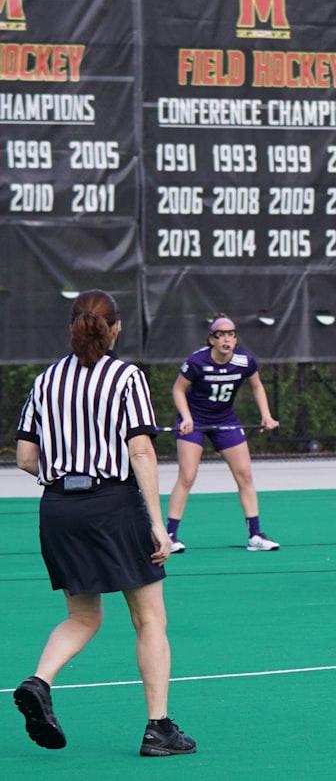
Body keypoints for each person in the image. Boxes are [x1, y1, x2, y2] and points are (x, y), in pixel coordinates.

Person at [13, 289, 196, 756]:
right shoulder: (126, 376)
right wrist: (158, 524)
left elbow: (25, 458)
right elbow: (139, 450)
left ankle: (39, 681)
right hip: (111, 504)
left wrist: (63, 473)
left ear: (72, 327)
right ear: (115, 329)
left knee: (82, 616)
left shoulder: (46, 379)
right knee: (149, 616)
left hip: (57, 509)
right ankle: (159, 729)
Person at [166, 315, 281, 552]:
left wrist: (266, 415)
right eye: (222, 335)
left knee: (245, 476)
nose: (227, 339)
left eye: (231, 334)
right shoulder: (197, 361)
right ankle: (169, 536)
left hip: (225, 420)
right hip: (195, 421)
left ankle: (255, 535)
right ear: (212, 340)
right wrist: (186, 417)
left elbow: (257, 385)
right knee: (187, 476)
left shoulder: (244, 361)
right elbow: (178, 389)